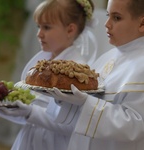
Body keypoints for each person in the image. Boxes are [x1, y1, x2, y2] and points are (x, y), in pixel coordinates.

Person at [0, 0, 98, 150]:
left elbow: (73, 124)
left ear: (70, 30)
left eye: (47, 27)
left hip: (54, 144)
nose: (39, 34)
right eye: (38, 26)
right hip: (29, 139)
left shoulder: (78, 73)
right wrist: (2, 107)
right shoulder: (40, 63)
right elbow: (27, 114)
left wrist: (31, 112)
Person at [46, 0, 144, 149]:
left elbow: (136, 125)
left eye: (116, 18)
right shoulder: (107, 58)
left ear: (142, 24)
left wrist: (86, 103)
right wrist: (66, 99)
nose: (107, 24)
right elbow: (80, 115)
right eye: (107, 15)